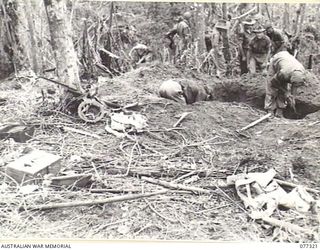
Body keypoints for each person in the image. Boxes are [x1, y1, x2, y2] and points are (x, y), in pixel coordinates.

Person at [265, 50, 306, 118]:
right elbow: (273, 82)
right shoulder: (284, 73)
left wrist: (293, 98)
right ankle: (270, 111)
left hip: (287, 62)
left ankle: (279, 111)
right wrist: (286, 92)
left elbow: (295, 86)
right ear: (290, 78)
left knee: (284, 90)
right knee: (271, 89)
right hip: (277, 60)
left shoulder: (302, 73)